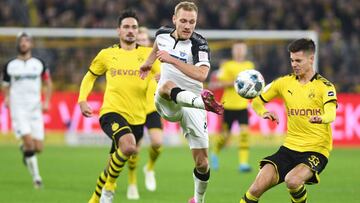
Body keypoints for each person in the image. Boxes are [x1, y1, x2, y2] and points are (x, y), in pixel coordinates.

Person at [140, 2, 224, 203]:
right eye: (184, 21)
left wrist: (172, 60)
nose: (188, 26)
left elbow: (202, 74)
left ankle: (198, 199)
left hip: (191, 104)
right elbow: (156, 47)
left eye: (192, 22)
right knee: (166, 85)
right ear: (174, 19)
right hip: (168, 101)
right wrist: (149, 63)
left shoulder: (199, 44)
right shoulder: (162, 34)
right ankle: (202, 102)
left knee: (202, 163)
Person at [240, 38, 337, 203]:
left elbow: (331, 114)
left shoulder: (325, 86)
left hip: (316, 150)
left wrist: (321, 118)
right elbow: (257, 101)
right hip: (289, 148)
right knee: (255, 187)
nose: (294, 64)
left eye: (298, 60)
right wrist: (263, 112)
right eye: (292, 60)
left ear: (311, 59)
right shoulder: (283, 83)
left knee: (293, 180)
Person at [78, 10, 155, 203]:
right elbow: (90, 76)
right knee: (128, 146)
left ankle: (95, 199)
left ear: (138, 32)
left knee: (114, 161)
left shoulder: (148, 55)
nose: (130, 31)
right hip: (111, 112)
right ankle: (110, 188)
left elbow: (166, 76)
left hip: (138, 117)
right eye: (126, 27)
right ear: (118, 31)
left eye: (134, 27)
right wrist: (82, 99)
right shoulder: (107, 54)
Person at [2, 31, 52, 189]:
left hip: (35, 108)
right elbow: (5, 85)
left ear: (31, 44)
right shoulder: (10, 65)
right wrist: (7, 98)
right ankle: (37, 179)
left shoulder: (39, 63)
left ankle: (24, 149)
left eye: (26, 41)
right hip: (18, 108)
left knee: (38, 147)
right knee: (30, 144)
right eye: (21, 41)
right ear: (18, 44)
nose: (24, 44)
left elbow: (48, 83)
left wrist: (47, 101)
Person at [209, 41, 255, 172]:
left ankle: (243, 163)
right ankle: (214, 152)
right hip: (229, 105)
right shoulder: (228, 65)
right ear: (233, 51)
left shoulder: (249, 65)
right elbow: (218, 84)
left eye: (242, 49)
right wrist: (236, 81)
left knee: (245, 133)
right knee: (224, 136)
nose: (240, 51)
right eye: (237, 49)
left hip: (243, 105)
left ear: (245, 51)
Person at [137, 26, 163, 192]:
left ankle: (150, 168)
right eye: (138, 40)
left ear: (149, 42)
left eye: (144, 40)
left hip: (152, 107)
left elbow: (165, 75)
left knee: (157, 143)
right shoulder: (129, 60)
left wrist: (164, 76)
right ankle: (133, 183)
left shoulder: (156, 60)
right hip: (134, 109)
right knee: (133, 151)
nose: (141, 43)